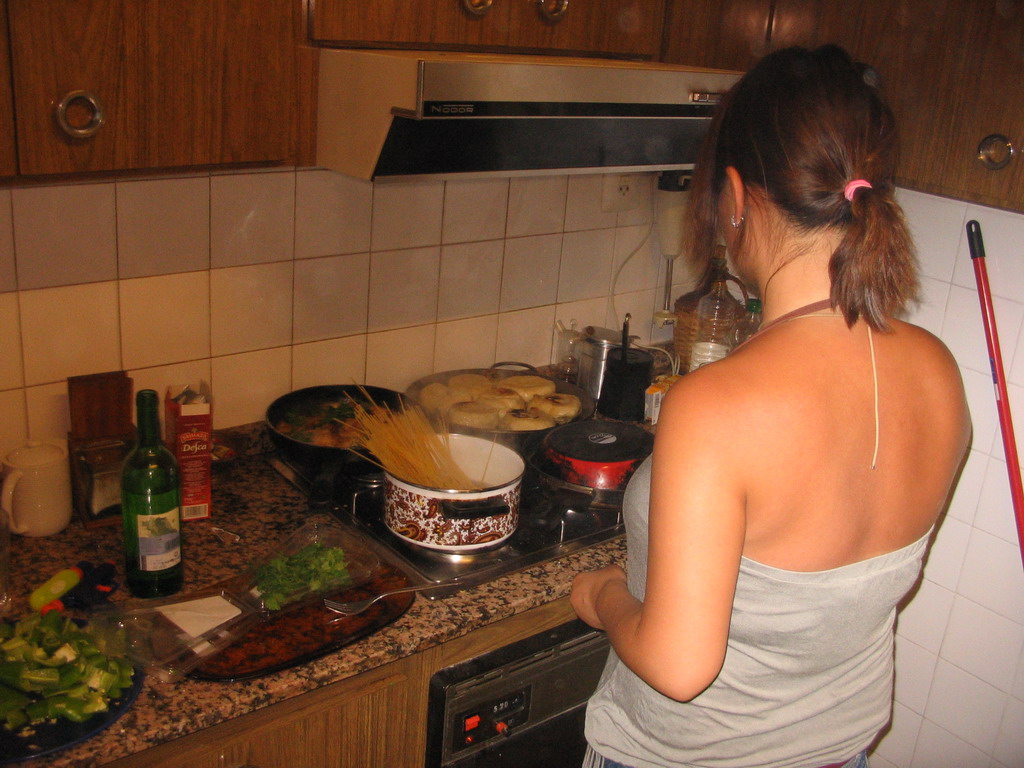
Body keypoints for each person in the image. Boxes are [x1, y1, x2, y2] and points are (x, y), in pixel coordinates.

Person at [570, 45, 970, 768]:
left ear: (733, 196)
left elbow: (678, 665)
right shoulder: (938, 370)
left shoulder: (716, 407)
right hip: (836, 752)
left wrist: (602, 597)